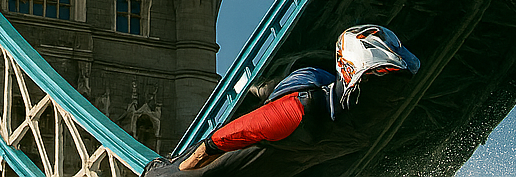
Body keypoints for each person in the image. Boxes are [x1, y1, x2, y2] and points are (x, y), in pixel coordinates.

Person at [144, 26, 419, 177]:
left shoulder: (370, 121)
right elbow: (218, 142)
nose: (389, 91)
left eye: (393, 78)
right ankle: (259, 89)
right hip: (268, 139)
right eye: (379, 76)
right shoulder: (297, 110)